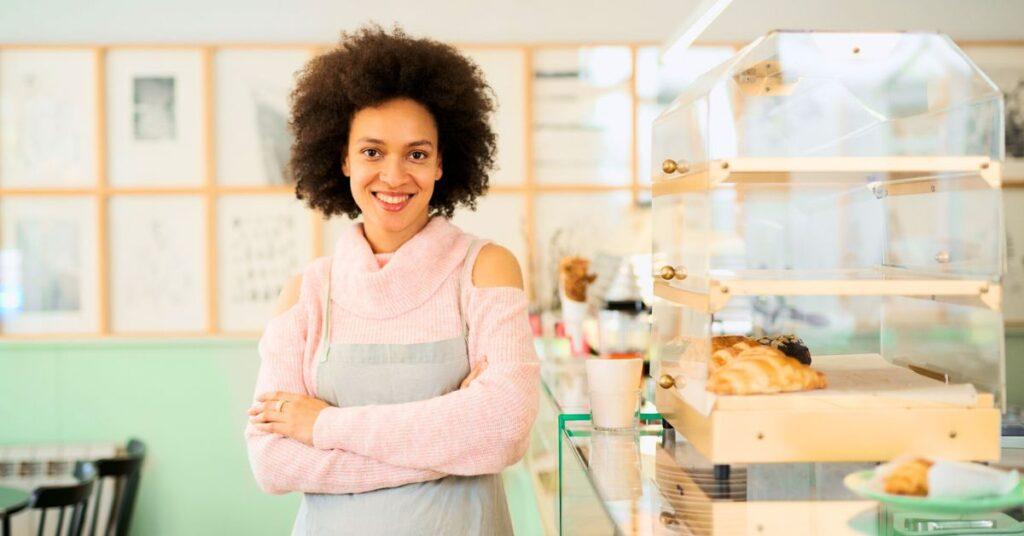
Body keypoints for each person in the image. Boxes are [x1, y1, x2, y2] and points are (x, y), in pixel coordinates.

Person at [244, 25, 540, 535]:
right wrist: (453, 442)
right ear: (342, 159)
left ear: (443, 162)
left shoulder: (485, 269)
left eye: (417, 153)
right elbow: (272, 463)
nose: (395, 175)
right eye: (372, 152)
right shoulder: (306, 293)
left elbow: (505, 431)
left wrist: (322, 425)